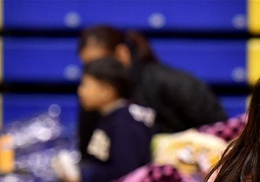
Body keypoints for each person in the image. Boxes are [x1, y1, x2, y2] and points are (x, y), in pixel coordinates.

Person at [28, 57, 154, 182]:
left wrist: (83, 177)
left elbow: (125, 173)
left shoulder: (125, 122)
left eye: (86, 85)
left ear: (106, 90)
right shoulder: (109, 118)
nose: (81, 91)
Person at [77, 25, 227, 154]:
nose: (91, 73)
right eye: (86, 66)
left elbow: (222, 134)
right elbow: (88, 154)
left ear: (122, 54)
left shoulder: (176, 84)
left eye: (97, 63)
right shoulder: (93, 99)